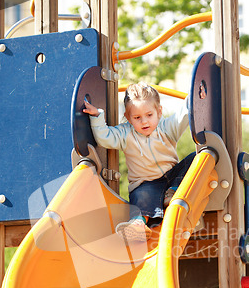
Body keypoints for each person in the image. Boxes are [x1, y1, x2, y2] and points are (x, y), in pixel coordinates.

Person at [83, 82, 195, 242]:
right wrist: (96, 117)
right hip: (146, 184)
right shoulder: (125, 134)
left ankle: (175, 192)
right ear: (128, 118)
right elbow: (104, 137)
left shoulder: (166, 128)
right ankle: (138, 226)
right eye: (137, 118)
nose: (144, 122)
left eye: (149, 115)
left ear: (159, 111)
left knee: (195, 158)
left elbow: (183, 114)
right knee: (140, 196)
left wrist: (196, 94)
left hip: (171, 178)